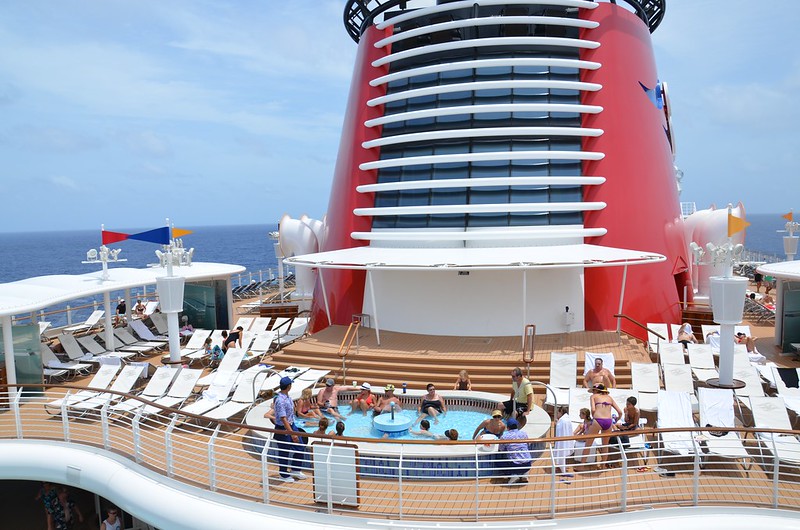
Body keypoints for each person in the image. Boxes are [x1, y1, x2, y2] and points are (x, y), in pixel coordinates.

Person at [273, 376, 308, 483]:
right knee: (284, 452)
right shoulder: (280, 400)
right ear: (288, 386)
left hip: (292, 425)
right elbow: (283, 418)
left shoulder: (287, 397)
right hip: (283, 429)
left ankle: (295, 469)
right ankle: (283, 474)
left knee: (300, 447)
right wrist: (292, 433)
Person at [581, 383, 624, 469]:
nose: (593, 392)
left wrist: (595, 417)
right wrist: (616, 420)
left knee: (588, 444)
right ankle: (603, 465)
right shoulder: (609, 398)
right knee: (605, 445)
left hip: (598, 420)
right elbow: (620, 412)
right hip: (608, 421)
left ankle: (581, 466)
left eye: (593, 390)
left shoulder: (593, 397)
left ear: (596, 390)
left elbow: (593, 409)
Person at [610, 396, 644, 470]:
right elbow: (626, 421)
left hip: (633, 426)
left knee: (639, 430)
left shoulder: (637, 412)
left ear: (633, 405)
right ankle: (624, 434)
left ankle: (623, 434)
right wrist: (626, 413)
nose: (626, 405)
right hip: (627, 425)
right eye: (626, 403)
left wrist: (626, 428)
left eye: (628, 404)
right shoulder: (626, 409)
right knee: (614, 424)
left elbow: (635, 423)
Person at [498, 418, 532, 485]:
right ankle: (524, 474)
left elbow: (500, 449)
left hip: (515, 465)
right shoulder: (524, 433)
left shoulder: (505, 436)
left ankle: (513, 475)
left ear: (508, 428)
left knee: (498, 459)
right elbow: (528, 444)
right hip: (528, 464)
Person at [553, 406, 575, 481]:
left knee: (561, 454)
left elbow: (560, 429)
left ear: (561, 412)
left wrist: (557, 423)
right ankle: (561, 468)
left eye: (558, 412)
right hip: (565, 440)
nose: (557, 414)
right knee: (562, 455)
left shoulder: (562, 420)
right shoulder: (567, 419)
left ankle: (561, 469)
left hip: (562, 441)